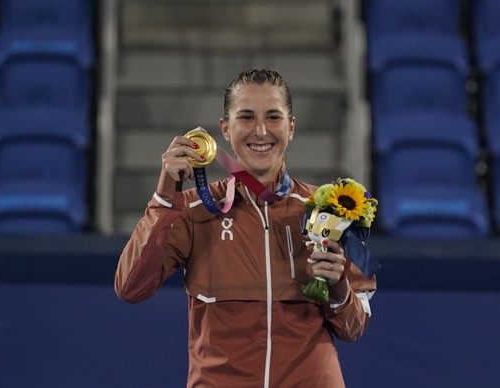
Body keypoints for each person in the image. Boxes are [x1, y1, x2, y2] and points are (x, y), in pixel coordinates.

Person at [115, 68, 377, 387]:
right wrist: (163, 198)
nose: (261, 131)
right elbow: (129, 287)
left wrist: (338, 288)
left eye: (273, 117)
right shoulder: (192, 210)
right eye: (247, 117)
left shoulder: (334, 209)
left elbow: (355, 328)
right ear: (225, 128)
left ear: (291, 127)